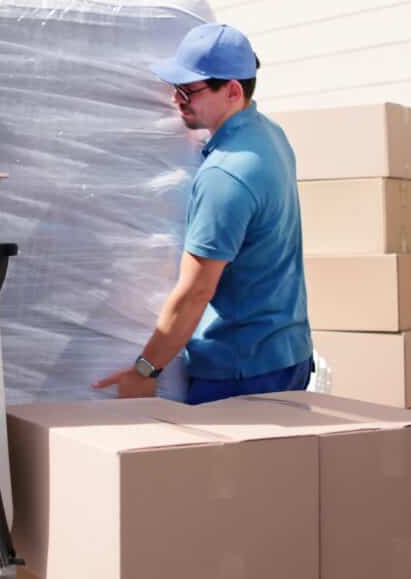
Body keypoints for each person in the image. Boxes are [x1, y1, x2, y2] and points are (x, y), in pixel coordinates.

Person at [92, 22, 312, 404]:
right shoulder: (270, 135)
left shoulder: (226, 174)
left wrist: (145, 370)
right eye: (175, 88)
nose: (177, 99)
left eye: (189, 90)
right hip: (286, 351)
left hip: (241, 371)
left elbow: (196, 290)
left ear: (232, 91)